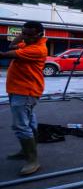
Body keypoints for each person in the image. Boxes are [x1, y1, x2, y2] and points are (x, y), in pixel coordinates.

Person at [2, 21, 47, 175]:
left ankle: (33, 161)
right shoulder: (28, 44)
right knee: (29, 122)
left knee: (21, 126)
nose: (26, 37)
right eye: (24, 33)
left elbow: (5, 54)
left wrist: (23, 36)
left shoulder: (37, 49)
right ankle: (25, 150)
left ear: (40, 35)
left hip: (25, 91)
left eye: (30, 34)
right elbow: (11, 46)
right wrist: (23, 35)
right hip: (19, 89)